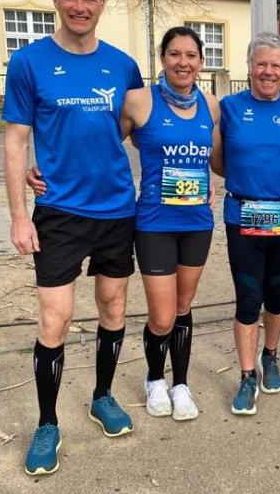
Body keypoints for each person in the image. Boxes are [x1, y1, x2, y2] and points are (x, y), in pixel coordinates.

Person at [3, 0, 144, 476]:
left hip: (116, 209)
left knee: (113, 308)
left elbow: (131, 126)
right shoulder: (29, 63)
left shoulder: (123, 66)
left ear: (102, 4)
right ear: (56, 0)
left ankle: (102, 396)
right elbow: (15, 141)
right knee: (55, 319)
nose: (79, 7)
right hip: (59, 213)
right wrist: (19, 216)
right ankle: (47, 424)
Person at [122, 27, 220, 421]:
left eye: (191, 55)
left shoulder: (211, 105)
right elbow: (107, 146)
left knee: (183, 306)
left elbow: (215, 160)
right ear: (162, 58)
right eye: (175, 54)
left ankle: (180, 384)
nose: (183, 62)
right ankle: (154, 378)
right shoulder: (138, 101)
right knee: (162, 316)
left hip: (197, 222)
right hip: (154, 223)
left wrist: (216, 185)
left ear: (201, 61)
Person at [212, 32, 280, 416]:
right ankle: (247, 374)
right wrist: (248, 184)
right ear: (250, 67)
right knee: (248, 298)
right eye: (261, 64)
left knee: (277, 294)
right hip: (243, 216)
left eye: (276, 65)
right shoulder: (229, 108)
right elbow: (218, 161)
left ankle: (270, 355)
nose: (268, 71)